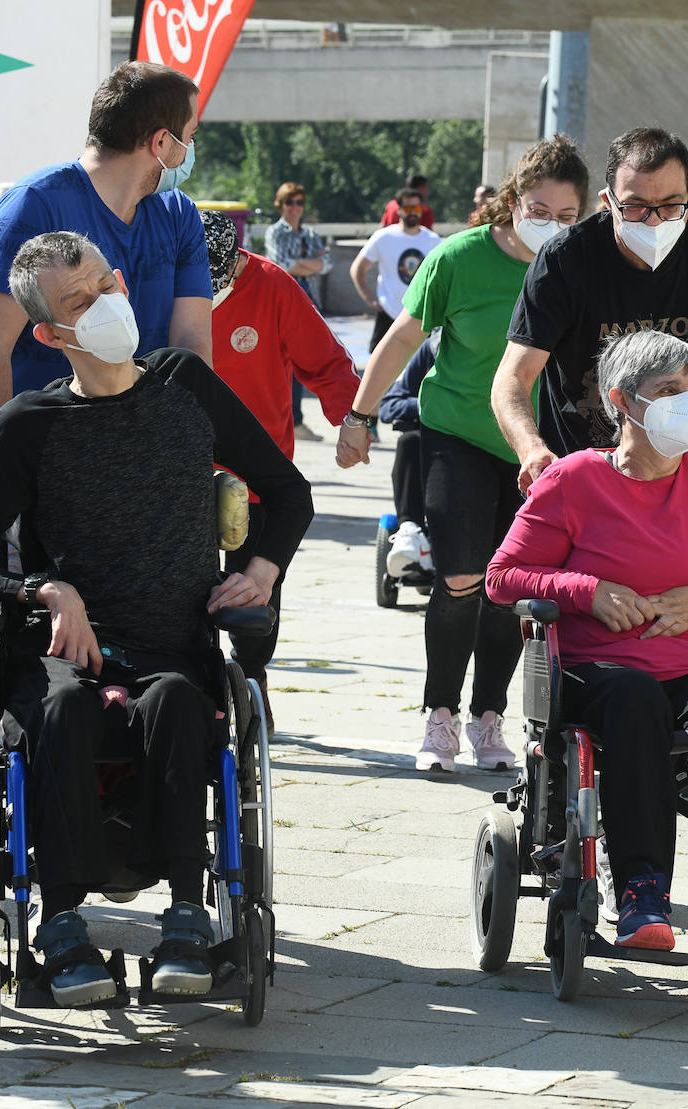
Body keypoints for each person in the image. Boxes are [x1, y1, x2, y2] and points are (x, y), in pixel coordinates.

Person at [0, 231, 313, 1007]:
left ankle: (185, 916)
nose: (108, 302)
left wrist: (261, 569)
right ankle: (61, 926)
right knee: (63, 706)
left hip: (174, 639)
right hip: (64, 655)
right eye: (82, 300)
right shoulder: (29, 425)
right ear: (51, 333)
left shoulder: (185, 385)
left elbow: (286, 490)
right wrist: (45, 590)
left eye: (108, 283)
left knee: (175, 701)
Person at [484, 329, 688, 951]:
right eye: (667, 391)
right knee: (633, 698)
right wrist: (586, 589)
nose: (686, 404)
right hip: (598, 672)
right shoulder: (573, 479)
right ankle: (640, 891)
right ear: (622, 401)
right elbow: (503, 577)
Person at [337, 135, 591, 773]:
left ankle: (488, 718)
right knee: (457, 578)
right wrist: (360, 415)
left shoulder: (579, 265)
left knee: (507, 588)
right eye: (540, 210)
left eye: (567, 217)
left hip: (536, 445)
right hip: (456, 433)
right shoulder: (459, 257)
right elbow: (402, 339)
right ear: (512, 202)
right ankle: (440, 714)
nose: (553, 227)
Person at [0, 60, 212, 463]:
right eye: (191, 136)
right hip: (36, 457)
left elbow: (192, 346)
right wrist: (1, 466)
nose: (191, 151)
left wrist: (184, 451)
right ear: (163, 143)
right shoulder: (33, 205)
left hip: (133, 461)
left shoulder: (180, 214)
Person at [491, 127, 688, 494]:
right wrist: (532, 449)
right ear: (607, 200)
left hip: (678, 476)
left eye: (669, 205)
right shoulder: (564, 258)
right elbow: (513, 377)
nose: (653, 221)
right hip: (580, 473)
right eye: (634, 207)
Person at [201, 210, 358, 727]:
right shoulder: (159, 281)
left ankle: (251, 678)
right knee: (182, 588)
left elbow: (326, 361)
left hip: (258, 470)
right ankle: (194, 680)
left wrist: (352, 420)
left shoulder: (271, 284)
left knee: (257, 582)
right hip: (181, 466)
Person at [264, 181, 332, 441]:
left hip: (310, 301)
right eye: (289, 203)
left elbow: (326, 265)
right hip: (283, 303)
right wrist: (310, 264)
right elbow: (281, 265)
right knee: (283, 363)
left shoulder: (311, 233)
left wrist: (301, 265)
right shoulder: (274, 232)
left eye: (299, 203)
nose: (294, 208)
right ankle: (289, 420)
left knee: (305, 361)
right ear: (280, 206)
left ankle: (296, 419)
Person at [350, 188, 441, 352]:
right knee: (380, 371)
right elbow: (358, 268)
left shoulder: (433, 240)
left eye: (417, 208)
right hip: (389, 313)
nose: (413, 212)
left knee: (421, 370)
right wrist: (370, 299)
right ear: (398, 209)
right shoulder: (383, 237)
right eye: (407, 208)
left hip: (421, 316)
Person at [377, 331, 438, 575]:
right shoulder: (432, 347)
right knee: (409, 441)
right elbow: (390, 404)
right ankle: (410, 528)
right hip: (435, 437)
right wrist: (434, 404)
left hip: (485, 440)